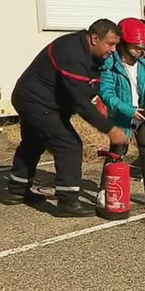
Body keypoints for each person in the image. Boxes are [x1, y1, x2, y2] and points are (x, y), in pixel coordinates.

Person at [5, 19, 127, 217]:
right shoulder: (72, 53)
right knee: (69, 145)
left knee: (34, 142)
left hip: (36, 99)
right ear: (95, 38)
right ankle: (68, 201)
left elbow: (89, 87)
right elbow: (79, 100)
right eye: (110, 43)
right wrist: (110, 129)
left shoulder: (88, 52)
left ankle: (16, 191)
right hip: (36, 101)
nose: (113, 49)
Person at [96, 18, 145, 210]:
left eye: (142, 47)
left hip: (142, 114)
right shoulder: (110, 64)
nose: (140, 51)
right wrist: (130, 111)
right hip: (122, 115)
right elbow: (107, 94)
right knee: (117, 152)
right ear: (124, 44)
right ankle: (103, 191)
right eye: (136, 47)